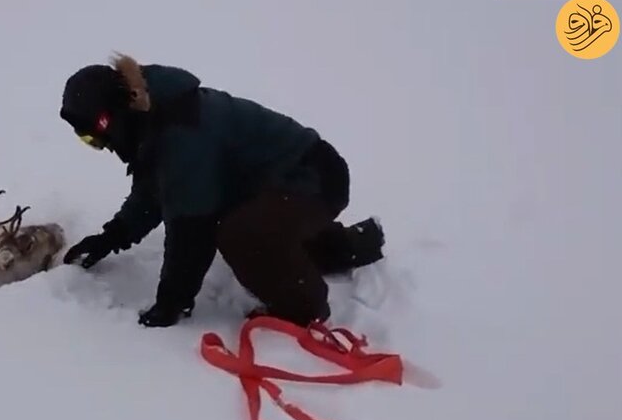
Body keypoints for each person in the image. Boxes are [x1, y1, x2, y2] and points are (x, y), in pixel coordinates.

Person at [59, 53, 385, 328]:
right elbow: (152, 192)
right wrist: (111, 237)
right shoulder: (151, 116)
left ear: (113, 115)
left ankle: (302, 310)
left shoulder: (179, 132)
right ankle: (344, 247)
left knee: (241, 236)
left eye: (96, 136)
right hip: (283, 182)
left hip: (314, 178)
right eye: (88, 141)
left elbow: (191, 232)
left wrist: (171, 304)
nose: (100, 146)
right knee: (245, 219)